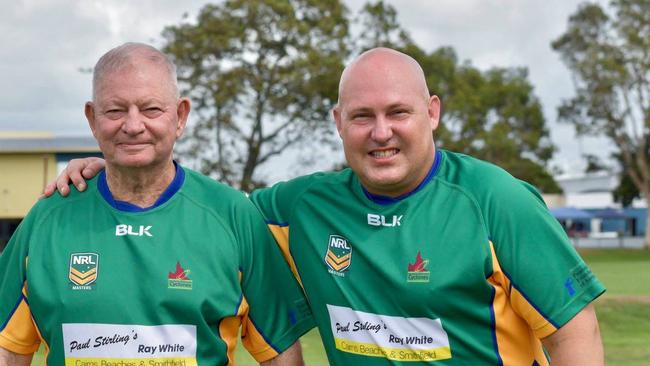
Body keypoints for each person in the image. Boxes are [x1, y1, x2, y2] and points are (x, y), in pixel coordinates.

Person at [45, 47, 606, 365]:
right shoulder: (300, 207)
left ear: (431, 113)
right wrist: (115, 168)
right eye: (362, 116)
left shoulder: (495, 201)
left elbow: (572, 333)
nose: (380, 132)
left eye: (398, 113)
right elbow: (201, 211)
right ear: (339, 124)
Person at [0, 43, 314, 366]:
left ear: (180, 116)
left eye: (151, 109)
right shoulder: (48, 218)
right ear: (93, 119)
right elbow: (7, 352)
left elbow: (282, 357)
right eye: (115, 111)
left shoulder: (233, 216)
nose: (133, 126)